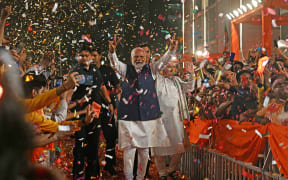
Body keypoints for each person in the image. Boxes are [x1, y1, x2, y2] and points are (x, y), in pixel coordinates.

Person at [108, 34, 177, 180]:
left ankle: (140, 177)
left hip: (147, 117)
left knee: (144, 152)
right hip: (129, 117)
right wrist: (112, 52)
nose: (139, 59)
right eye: (136, 57)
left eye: (141, 57)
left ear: (146, 58)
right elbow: (114, 64)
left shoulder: (152, 70)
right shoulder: (126, 69)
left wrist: (171, 50)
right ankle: (128, 178)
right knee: (129, 151)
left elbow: (164, 62)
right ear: (131, 58)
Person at [71, 45, 114, 179]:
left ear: (91, 57)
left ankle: (92, 174)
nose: (84, 58)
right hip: (81, 114)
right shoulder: (75, 71)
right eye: (81, 55)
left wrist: (109, 102)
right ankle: (78, 174)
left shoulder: (95, 70)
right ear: (78, 57)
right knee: (80, 144)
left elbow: (101, 87)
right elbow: (73, 86)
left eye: (86, 55)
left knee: (94, 145)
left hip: (95, 113)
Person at [152, 50, 194, 180]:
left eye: (172, 67)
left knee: (179, 147)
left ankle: (171, 169)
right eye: (167, 66)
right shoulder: (156, 79)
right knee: (159, 148)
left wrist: (191, 74)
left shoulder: (176, 81)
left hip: (176, 119)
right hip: (159, 120)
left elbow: (190, 87)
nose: (170, 69)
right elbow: (156, 66)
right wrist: (168, 53)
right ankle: (162, 173)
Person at [91, 48, 120, 175]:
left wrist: (114, 94)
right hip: (93, 109)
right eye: (90, 55)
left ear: (100, 56)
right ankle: (94, 165)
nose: (92, 58)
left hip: (108, 108)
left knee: (110, 137)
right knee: (93, 138)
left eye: (95, 55)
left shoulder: (107, 70)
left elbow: (118, 85)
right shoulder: (87, 72)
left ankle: (109, 163)